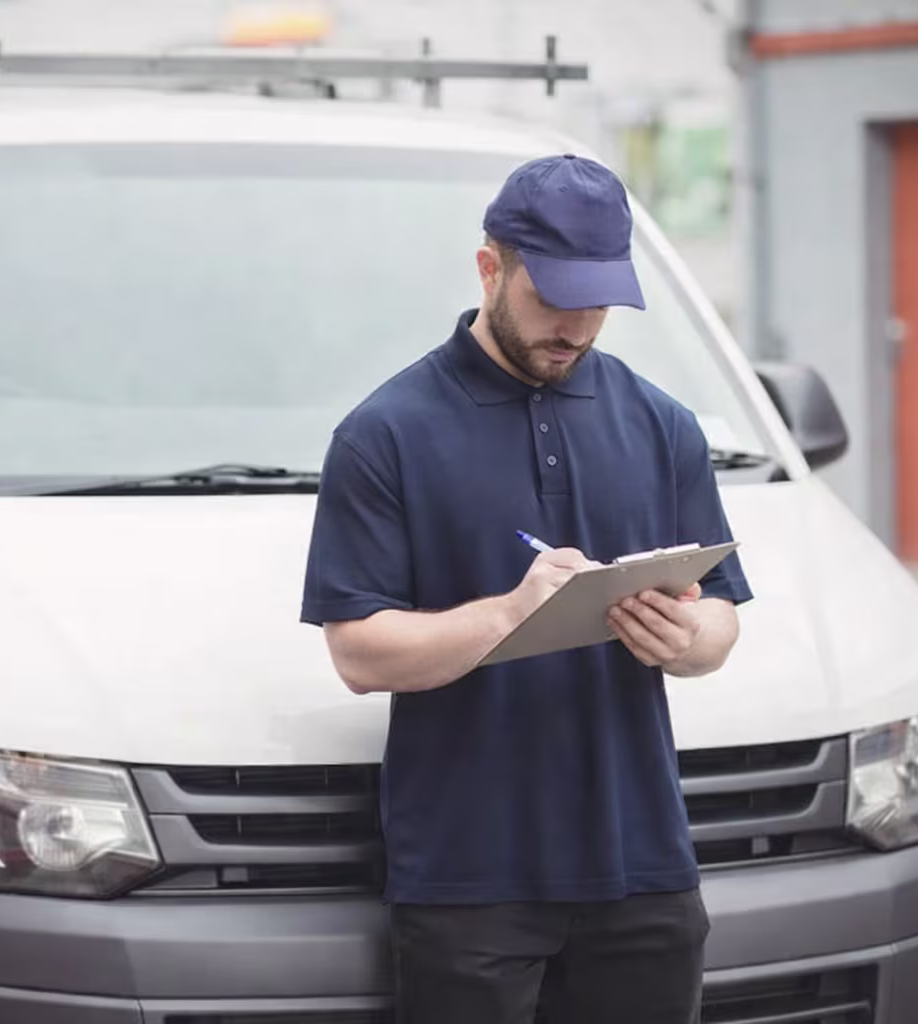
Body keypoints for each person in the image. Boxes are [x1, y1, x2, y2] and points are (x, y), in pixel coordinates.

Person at [299, 153, 754, 1024]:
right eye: (553, 295)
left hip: (645, 867)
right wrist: (512, 612)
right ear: (490, 268)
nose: (577, 326)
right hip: (470, 881)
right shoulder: (383, 435)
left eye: (599, 302)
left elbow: (721, 618)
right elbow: (358, 653)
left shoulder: (663, 426)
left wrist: (687, 643)